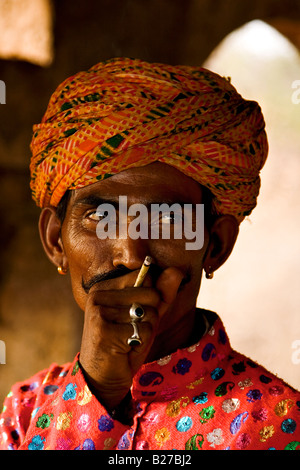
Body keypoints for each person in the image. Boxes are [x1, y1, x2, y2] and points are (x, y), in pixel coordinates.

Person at [0, 58, 299, 451]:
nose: (128, 253)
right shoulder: (24, 410)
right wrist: (100, 391)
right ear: (56, 241)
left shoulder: (275, 424)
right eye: (99, 216)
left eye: (167, 221)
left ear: (216, 246)